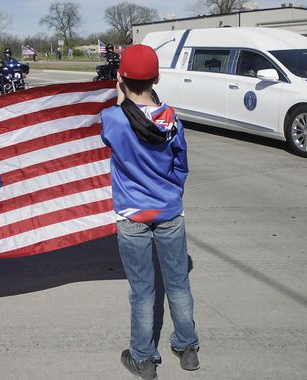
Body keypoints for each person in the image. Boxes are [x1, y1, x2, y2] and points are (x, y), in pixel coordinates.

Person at [101, 44, 200, 380]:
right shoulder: (172, 120)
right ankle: (187, 348)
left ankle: (143, 358)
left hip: (132, 216)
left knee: (142, 290)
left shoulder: (112, 119)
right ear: (156, 78)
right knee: (178, 284)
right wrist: (170, 194)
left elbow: (116, 126)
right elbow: (181, 166)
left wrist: (120, 98)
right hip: (169, 212)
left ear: (120, 78)